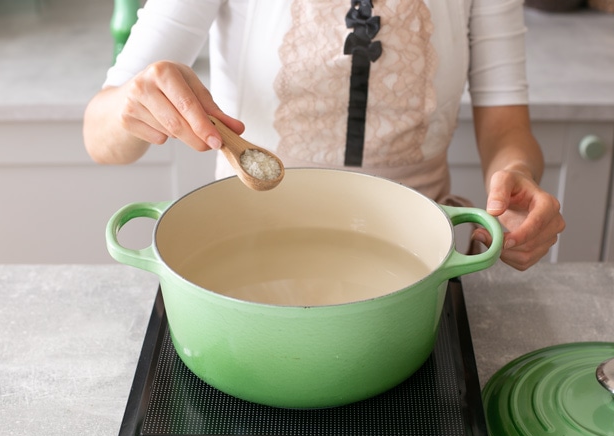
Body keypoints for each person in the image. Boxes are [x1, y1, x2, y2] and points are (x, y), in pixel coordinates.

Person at [83, 0, 565, 271]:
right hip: (242, 254)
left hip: (421, 260)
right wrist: (130, 106)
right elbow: (99, 134)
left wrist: (516, 176)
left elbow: (507, 128)